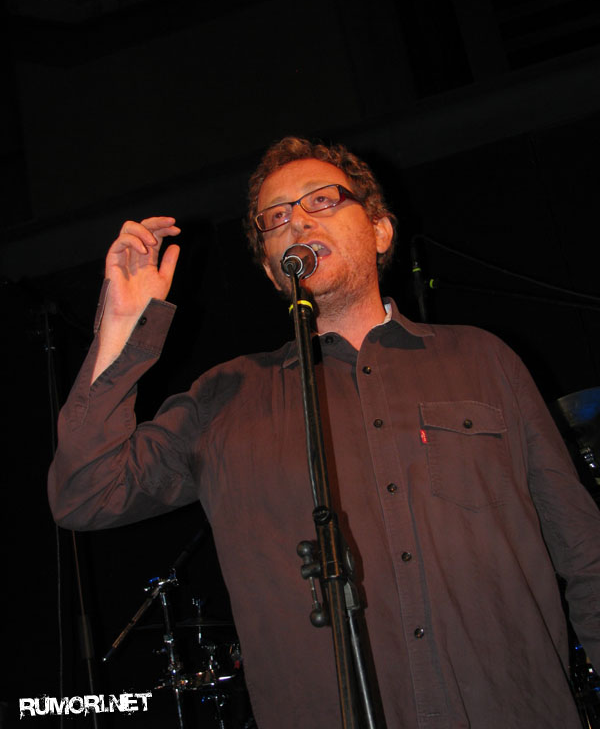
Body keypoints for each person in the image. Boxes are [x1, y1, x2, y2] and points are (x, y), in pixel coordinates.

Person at [49, 136, 600, 729]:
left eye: (321, 201)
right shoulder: (224, 397)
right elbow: (86, 494)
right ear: (271, 270)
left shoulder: (483, 360)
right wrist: (122, 330)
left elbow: (585, 553)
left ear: (380, 231)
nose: (297, 221)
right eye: (276, 217)